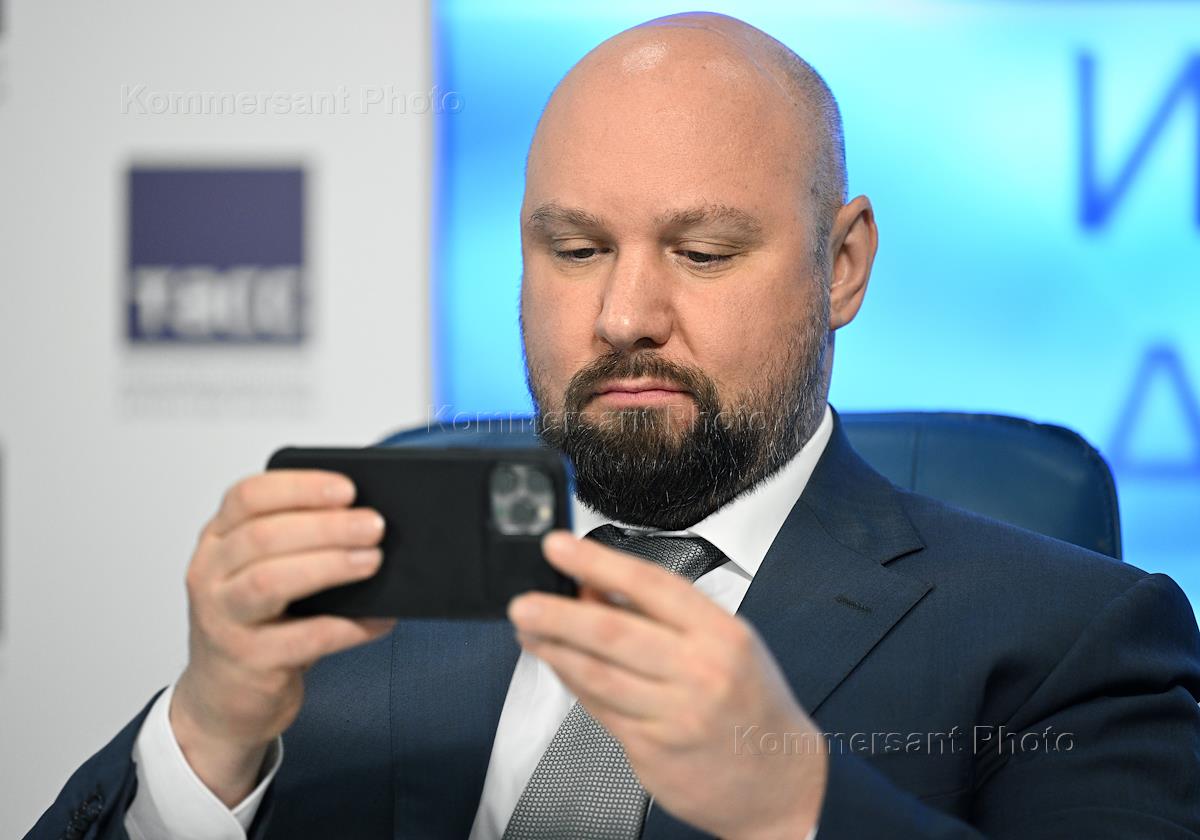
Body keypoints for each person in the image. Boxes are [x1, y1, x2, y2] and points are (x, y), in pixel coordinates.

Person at [30, 12, 1200, 840]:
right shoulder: (366, 597)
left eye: (704, 252)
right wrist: (209, 737)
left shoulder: (1074, 637)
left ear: (842, 264)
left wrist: (793, 805)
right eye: (577, 249)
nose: (625, 314)